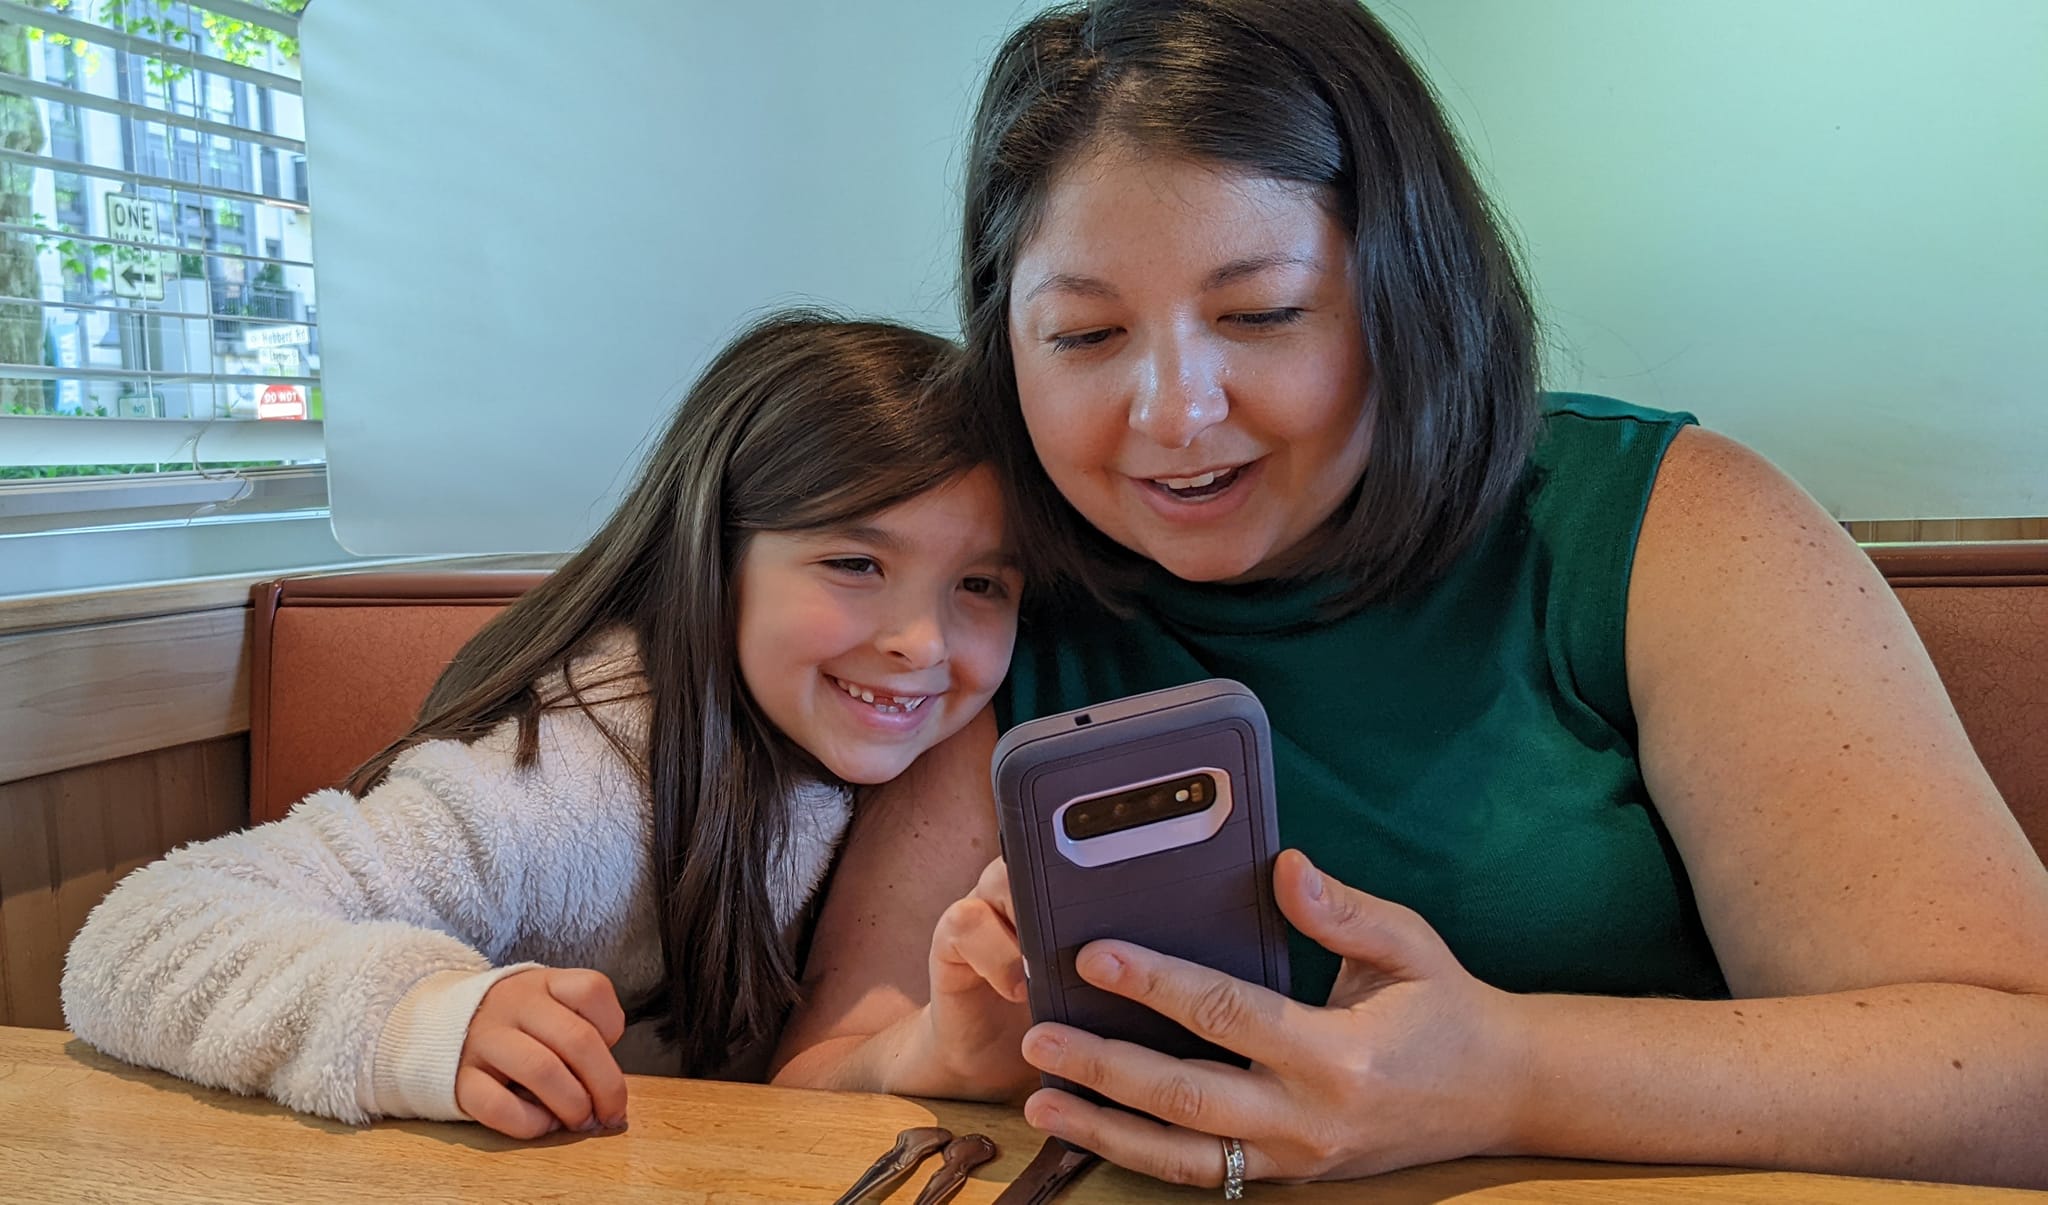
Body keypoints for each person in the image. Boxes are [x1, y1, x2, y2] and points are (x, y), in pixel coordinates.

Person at [769, 0, 2048, 1191]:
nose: (1172, 413)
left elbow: (2016, 1070)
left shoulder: (1656, 528)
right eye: (1086, 336)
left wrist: (1509, 1074)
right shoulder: (983, 603)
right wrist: (945, 1048)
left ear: (1409, 292)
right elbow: (809, 1088)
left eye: (1261, 312)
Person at [61, 312, 1025, 1139]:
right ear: (714, 556)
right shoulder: (583, 775)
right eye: (856, 563)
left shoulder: (907, 746)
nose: (922, 641)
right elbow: (141, 935)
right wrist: (426, 1017)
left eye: (979, 584)